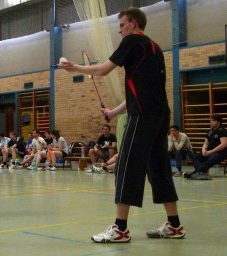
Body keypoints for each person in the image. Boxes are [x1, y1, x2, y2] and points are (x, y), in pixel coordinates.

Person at [59, 7, 185, 242]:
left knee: (126, 166)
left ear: (134, 24)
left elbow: (104, 69)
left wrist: (75, 68)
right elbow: (141, 92)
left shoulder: (132, 42)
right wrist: (114, 112)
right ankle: (175, 225)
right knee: (159, 168)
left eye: (122, 25)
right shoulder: (154, 48)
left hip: (143, 117)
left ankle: (120, 229)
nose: (120, 31)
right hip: (160, 116)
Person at [183, 114, 227, 180]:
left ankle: (195, 173)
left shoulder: (223, 131)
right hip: (209, 151)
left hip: (221, 152)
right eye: (211, 120)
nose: (211, 122)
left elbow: (224, 144)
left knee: (212, 158)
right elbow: (206, 143)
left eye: (214, 121)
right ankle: (201, 172)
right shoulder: (210, 132)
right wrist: (203, 150)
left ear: (219, 122)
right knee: (195, 157)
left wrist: (211, 152)